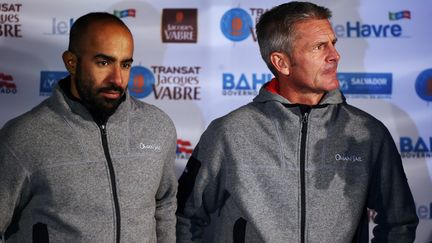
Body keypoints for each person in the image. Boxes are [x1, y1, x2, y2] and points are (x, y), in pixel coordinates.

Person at [176, 2, 418, 243]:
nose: (334, 55)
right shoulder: (228, 133)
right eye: (319, 47)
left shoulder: (368, 133)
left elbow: (398, 223)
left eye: (333, 44)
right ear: (281, 63)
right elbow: (184, 217)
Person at [0, 12, 177, 242]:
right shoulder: (21, 137)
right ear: (71, 63)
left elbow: (164, 204)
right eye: (103, 63)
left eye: (125, 65)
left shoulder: (158, 126)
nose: (117, 79)